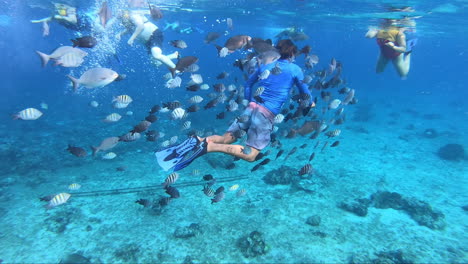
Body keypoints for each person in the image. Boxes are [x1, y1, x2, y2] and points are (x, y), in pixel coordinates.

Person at [156, 39, 315, 172]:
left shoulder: (265, 67)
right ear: (292, 54)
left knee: (226, 138)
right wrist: (311, 103)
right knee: (251, 155)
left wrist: (249, 102)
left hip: (251, 108)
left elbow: (247, 85)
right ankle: (208, 147)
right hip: (266, 114)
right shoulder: (295, 69)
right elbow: (304, 91)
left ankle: (198, 140)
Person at [116, 0, 178, 69]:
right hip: (147, 41)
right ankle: (174, 55)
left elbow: (140, 26)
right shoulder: (127, 19)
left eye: (119, 15)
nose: (119, 17)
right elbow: (131, 29)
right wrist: (120, 34)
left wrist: (132, 38)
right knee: (155, 63)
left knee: (156, 56)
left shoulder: (133, 15)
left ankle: (177, 69)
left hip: (154, 34)